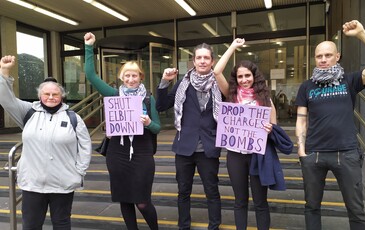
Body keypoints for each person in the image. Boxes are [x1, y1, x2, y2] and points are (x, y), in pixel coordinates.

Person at [295, 20, 365, 230]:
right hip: (314, 154)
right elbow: (301, 119)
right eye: (319, 56)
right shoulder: (306, 87)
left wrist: (362, 34)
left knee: (356, 210)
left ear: (337, 57)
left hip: (347, 153)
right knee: (312, 207)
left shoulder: (350, 80)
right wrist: (301, 151)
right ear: (315, 59)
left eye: (328, 55)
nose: (323, 59)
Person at [0, 55, 92, 230]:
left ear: (62, 96)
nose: (51, 97)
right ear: (40, 95)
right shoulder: (28, 112)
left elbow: (85, 146)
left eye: (55, 94)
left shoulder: (73, 118)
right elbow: (5, 98)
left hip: (63, 183)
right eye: (46, 94)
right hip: (33, 183)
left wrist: (78, 172)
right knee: (31, 225)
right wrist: (4, 71)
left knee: (62, 223)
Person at [84, 32, 161, 230]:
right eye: (127, 75)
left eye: (134, 75)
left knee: (142, 201)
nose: (131, 79)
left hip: (142, 152)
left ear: (140, 77)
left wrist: (149, 123)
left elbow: (158, 128)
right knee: (125, 199)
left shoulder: (148, 99)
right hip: (117, 152)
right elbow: (91, 76)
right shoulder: (113, 95)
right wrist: (89, 47)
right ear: (121, 77)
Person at [213, 38, 293, 230]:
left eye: (247, 75)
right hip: (235, 155)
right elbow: (216, 72)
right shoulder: (230, 95)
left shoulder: (265, 99)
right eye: (240, 77)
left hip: (258, 155)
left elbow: (274, 126)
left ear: (254, 76)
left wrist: (270, 129)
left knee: (260, 202)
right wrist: (232, 47)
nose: (244, 80)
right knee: (240, 201)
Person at [157, 43, 222, 230]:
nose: (202, 61)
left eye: (206, 58)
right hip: (184, 147)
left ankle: (214, 226)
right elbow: (162, 106)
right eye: (199, 57)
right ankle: (183, 226)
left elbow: (234, 109)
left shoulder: (219, 84)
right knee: (183, 191)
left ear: (212, 61)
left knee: (212, 191)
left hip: (208, 147)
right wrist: (164, 82)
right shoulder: (182, 83)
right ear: (193, 61)